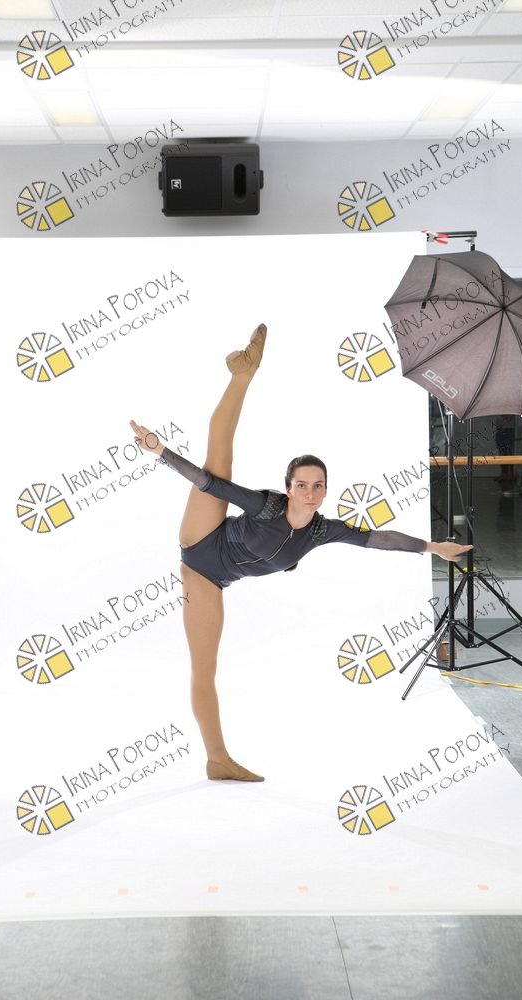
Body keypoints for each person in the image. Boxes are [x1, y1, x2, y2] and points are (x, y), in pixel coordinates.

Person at [130, 324, 471, 783]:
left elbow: (378, 539)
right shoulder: (267, 506)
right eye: (302, 485)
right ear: (289, 487)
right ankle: (242, 375)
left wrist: (432, 547)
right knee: (219, 461)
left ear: (326, 490)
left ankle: (216, 762)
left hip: (217, 580)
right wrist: (160, 451)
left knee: (208, 664)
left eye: (318, 486)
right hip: (201, 546)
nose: (310, 493)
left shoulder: (321, 531)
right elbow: (209, 483)